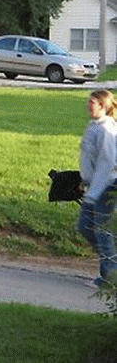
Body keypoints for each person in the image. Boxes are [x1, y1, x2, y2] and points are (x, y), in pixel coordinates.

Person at [78, 89, 117, 287]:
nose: (88, 105)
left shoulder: (107, 130)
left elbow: (108, 165)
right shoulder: (93, 126)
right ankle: (111, 265)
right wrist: (84, 181)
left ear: (103, 106)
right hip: (93, 187)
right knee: (85, 227)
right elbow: (90, 159)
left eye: (92, 102)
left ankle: (109, 278)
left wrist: (94, 192)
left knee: (102, 233)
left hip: (106, 187)